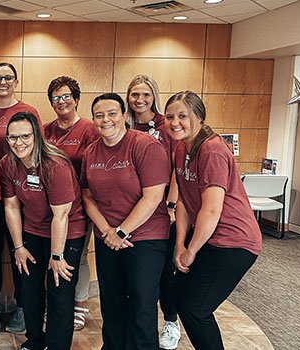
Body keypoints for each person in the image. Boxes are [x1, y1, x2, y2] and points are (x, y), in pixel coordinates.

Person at [165, 91, 261, 350]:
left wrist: (192, 251)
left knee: (195, 309)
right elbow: (184, 201)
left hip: (234, 241)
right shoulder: (181, 148)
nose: (175, 122)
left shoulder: (212, 150)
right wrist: (181, 246)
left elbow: (211, 210)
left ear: (199, 116)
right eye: (170, 116)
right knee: (178, 297)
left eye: (182, 116)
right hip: (209, 237)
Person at [80, 93, 170, 349]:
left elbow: (153, 197)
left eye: (111, 113)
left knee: (142, 304)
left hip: (145, 238)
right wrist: (107, 230)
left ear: (123, 116)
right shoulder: (91, 151)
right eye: (99, 115)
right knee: (112, 303)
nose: (105, 119)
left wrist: (122, 231)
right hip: (107, 238)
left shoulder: (145, 146)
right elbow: (87, 196)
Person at [0, 112, 86, 350]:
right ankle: (35, 340)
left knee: (59, 290)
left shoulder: (54, 165)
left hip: (67, 232)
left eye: (25, 136)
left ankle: (57, 345)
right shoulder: (7, 164)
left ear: (37, 135)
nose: (19, 143)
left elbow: (61, 215)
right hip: (32, 230)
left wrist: (56, 256)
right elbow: (11, 206)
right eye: (13, 138)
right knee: (29, 288)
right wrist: (18, 246)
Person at [0, 62, 40, 336]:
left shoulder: (28, 112)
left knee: (19, 251)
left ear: (15, 81)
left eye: (8, 77)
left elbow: (36, 152)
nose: (3, 81)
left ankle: (24, 307)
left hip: (20, 195)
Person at [125, 74, 181, 349]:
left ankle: (170, 320)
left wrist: (170, 205)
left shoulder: (165, 126)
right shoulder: (123, 124)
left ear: (154, 97)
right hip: (129, 214)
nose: (140, 100)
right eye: (135, 94)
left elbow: (175, 169)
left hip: (160, 212)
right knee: (135, 281)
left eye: (145, 94)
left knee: (162, 272)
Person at [42, 76, 97, 331]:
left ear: (76, 99)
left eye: (66, 96)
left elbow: (93, 168)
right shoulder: (46, 130)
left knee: (79, 256)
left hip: (79, 205)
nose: (61, 102)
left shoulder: (89, 128)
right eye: (56, 98)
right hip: (49, 206)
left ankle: (78, 305)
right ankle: (55, 304)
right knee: (52, 255)